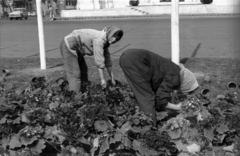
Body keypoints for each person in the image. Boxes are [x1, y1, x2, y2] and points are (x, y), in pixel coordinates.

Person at [119, 49, 199, 126]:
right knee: (147, 98)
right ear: (185, 84)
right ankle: (150, 129)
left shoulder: (175, 70)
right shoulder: (174, 77)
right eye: (187, 90)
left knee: (146, 93)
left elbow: (159, 91)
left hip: (130, 57)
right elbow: (160, 100)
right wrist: (176, 107)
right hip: (135, 61)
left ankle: (148, 119)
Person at [60, 26, 124, 93]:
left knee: (83, 70)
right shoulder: (100, 40)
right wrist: (102, 80)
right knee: (75, 74)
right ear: (110, 34)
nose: (114, 40)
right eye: (113, 37)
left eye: (117, 39)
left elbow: (107, 61)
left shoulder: (106, 41)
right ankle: (75, 98)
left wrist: (112, 79)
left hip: (77, 48)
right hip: (68, 45)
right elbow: (99, 62)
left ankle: (83, 92)